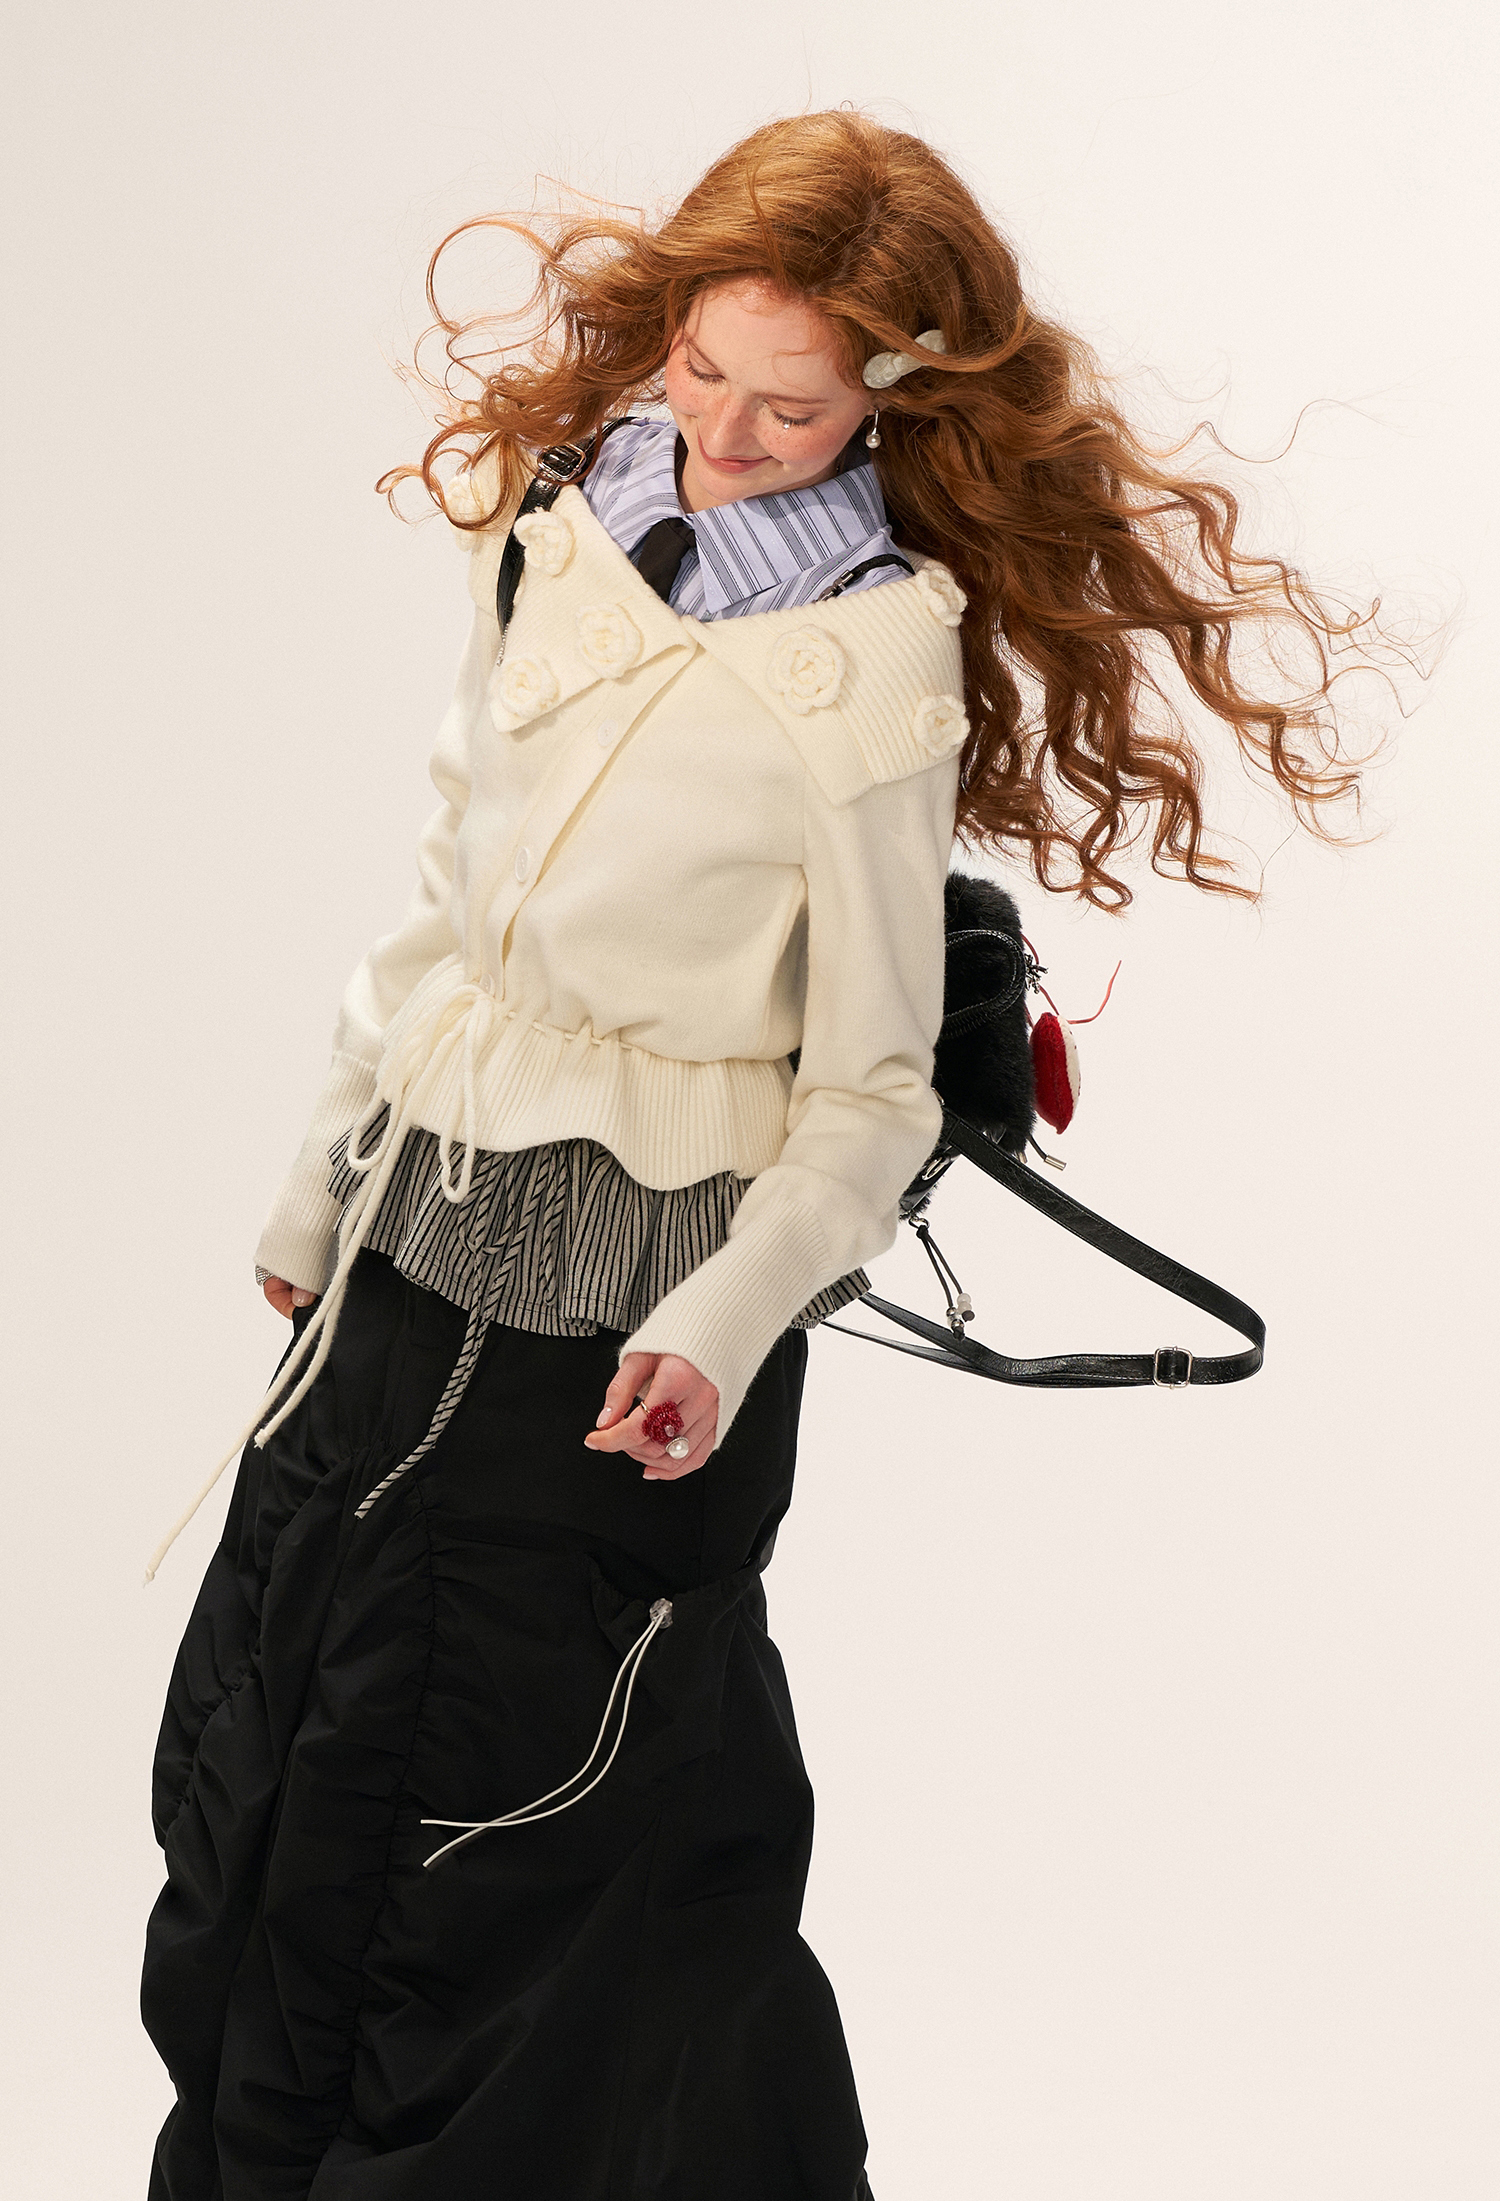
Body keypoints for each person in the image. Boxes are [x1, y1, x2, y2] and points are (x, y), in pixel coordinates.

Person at [140, 109, 1380, 2201]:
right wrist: (319, 1174)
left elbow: (873, 1090)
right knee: (273, 1776)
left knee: (510, 1868)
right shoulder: (559, 527)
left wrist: (720, 1324)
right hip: (401, 1268)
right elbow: (449, 892)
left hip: (623, 1355)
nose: (721, 432)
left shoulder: (873, 662)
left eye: (788, 407)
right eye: (701, 368)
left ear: (888, 394)